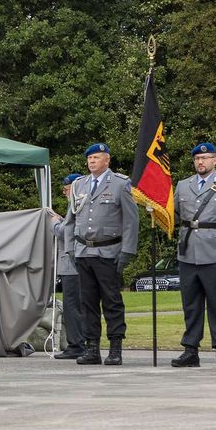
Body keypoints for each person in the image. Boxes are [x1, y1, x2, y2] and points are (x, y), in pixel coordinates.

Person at [171, 143, 216, 368]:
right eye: (197, 158)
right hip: (188, 252)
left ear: (215, 160)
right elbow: (173, 215)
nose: (200, 162)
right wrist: (155, 210)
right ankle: (190, 350)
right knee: (190, 305)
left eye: (205, 158)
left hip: (215, 252)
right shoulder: (183, 186)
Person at [63, 143, 139, 365]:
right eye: (89, 158)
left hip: (108, 251)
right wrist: (70, 249)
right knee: (87, 302)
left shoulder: (120, 184)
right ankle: (91, 347)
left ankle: (115, 347)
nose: (92, 161)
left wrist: (127, 251)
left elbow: (131, 221)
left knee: (112, 301)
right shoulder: (79, 185)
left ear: (107, 160)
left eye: (96, 157)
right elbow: (70, 220)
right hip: (84, 251)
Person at [47, 173, 85, 359]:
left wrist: (54, 224)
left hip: (72, 264)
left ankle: (76, 345)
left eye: (67, 188)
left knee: (72, 306)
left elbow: (66, 233)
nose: (65, 192)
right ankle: (81, 343)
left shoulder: (77, 204)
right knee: (79, 305)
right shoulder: (81, 204)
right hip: (78, 263)